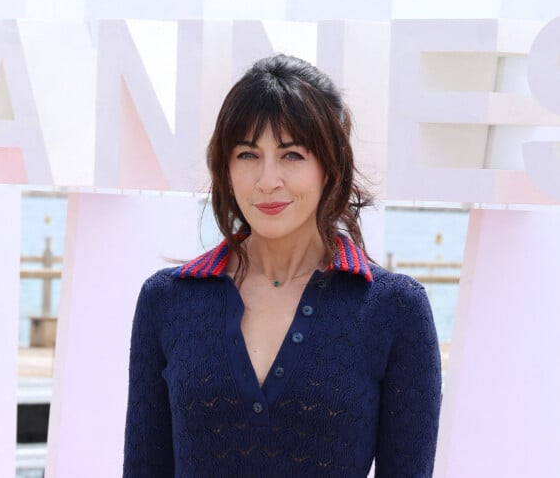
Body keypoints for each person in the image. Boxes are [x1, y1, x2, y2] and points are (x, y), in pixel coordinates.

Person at [123, 54, 442, 477]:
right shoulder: (167, 301)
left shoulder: (394, 309)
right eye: (247, 154)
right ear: (225, 166)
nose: (267, 180)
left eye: (291, 155)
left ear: (329, 166)